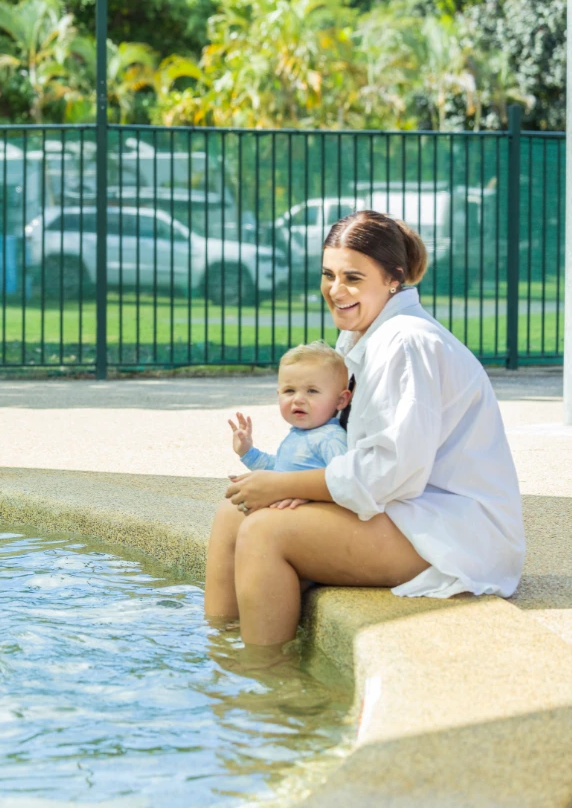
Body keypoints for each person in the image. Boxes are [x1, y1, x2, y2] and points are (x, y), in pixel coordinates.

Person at [205, 210, 526, 648]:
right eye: (328, 274)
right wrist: (290, 485)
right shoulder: (366, 335)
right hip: (405, 510)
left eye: (353, 278)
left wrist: (285, 484)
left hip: (451, 532)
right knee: (234, 511)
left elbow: (394, 470)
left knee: (265, 531)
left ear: (393, 279)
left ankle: (267, 685)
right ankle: (219, 655)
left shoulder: (406, 342)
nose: (336, 291)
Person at [227, 341, 351, 511]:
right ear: (278, 394)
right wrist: (247, 452)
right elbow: (277, 470)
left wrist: (310, 496)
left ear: (340, 400)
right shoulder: (299, 435)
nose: (298, 399)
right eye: (289, 391)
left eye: (312, 391)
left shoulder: (331, 438)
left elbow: (346, 484)